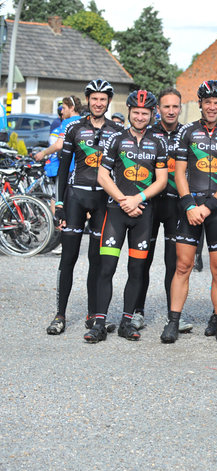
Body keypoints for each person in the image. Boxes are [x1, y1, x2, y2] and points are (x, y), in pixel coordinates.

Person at [161, 80, 217, 345]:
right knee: (182, 266)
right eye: (207, 102)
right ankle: (173, 322)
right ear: (200, 104)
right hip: (190, 206)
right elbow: (179, 171)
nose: (211, 107)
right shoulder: (188, 132)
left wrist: (211, 206)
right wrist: (189, 205)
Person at [85, 90, 168, 342]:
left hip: (143, 213)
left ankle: (126, 321)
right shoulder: (116, 139)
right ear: (129, 111)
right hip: (116, 212)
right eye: (136, 112)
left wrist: (138, 199)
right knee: (106, 267)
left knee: (137, 269)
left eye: (145, 113)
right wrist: (123, 200)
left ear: (152, 115)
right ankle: (99, 323)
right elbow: (102, 175)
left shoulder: (158, 143)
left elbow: (162, 180)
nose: (140, 116)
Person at [46, 80, 124, 335]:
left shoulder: (117, 130)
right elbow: (61, 168)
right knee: (68, 258)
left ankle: (93, 314)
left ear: (109, 101)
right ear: (88, 100)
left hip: (103, 200)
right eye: (94, 99)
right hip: (76, 198)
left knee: (97, 260)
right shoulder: (73, 128)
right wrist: (59, 204)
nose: (98, 103)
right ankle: (60, 315)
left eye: (103, 99)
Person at [132, 88, 192, 333]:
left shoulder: (188, 133)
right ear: (158, 110)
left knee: (174, 263)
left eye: (175, 107)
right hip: (150, 205)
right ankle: (137, 311)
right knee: (141, 262)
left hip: (176, 206)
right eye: (166, 107)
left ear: (180, 108)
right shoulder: (149, 131)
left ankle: (173, 314)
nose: (170, 111)